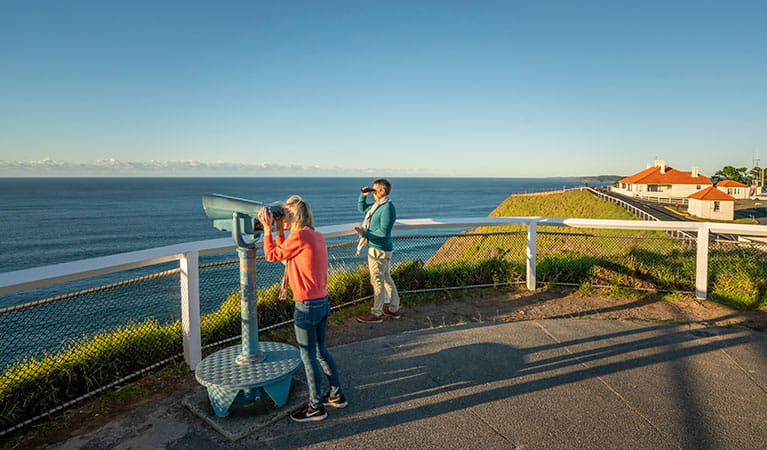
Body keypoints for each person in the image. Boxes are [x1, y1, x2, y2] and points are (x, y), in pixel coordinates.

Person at [258, 195, 346, 423]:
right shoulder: (314, 235)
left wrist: (267, 230)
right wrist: (278, 230)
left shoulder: (299, 236)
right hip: (322, 302)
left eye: (284, 215)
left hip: (306, 306)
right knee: (321, 352)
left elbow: (272, 255)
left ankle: (316, 407)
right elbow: (287, 252)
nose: (282, 219)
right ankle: (337, 395)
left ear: (293, 216)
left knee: (308, 357)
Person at [354, 179, 401, 323]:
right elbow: (362, 209)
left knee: (377, 281)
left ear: (382, 191)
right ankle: (394, 309)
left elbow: (383, 232)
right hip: (380, 249)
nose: (372, 192)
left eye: (374, 190)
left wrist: (364, 234)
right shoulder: (377, 205)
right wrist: (363, 195)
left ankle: (376, 313)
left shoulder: (387, 208)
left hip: (379, 250)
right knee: (386, 278)